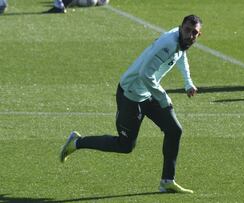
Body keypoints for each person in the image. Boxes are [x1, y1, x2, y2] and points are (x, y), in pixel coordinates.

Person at [60, 14, 202, 194]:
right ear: (181, 27)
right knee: (125, 145)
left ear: (199, 35)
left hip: (148, 91)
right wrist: (164, 98)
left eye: (194, 33)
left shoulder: (181, 40)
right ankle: (77, 142)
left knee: (174, 130)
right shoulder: (168, 44)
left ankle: (167, 181)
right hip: (131, 94)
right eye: (187, 30)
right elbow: (144, 74)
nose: (190, 35)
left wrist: (188, 82)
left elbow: (182, 55)